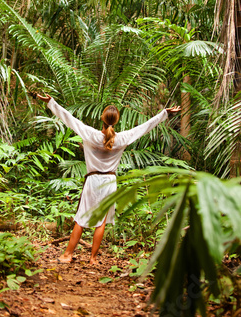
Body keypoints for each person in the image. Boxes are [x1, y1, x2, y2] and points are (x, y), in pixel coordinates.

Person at [36, 93, 181, 264]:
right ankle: (93, 258)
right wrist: (164, 113)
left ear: (101, 118)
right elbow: (145, 127)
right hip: (109, 182)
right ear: (116, 120)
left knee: (82, 218)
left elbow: (69, 118)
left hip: (93, 181)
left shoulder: (91, 135)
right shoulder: (122, 139)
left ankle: (67, 255)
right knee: (101, 221)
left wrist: (51, 102)